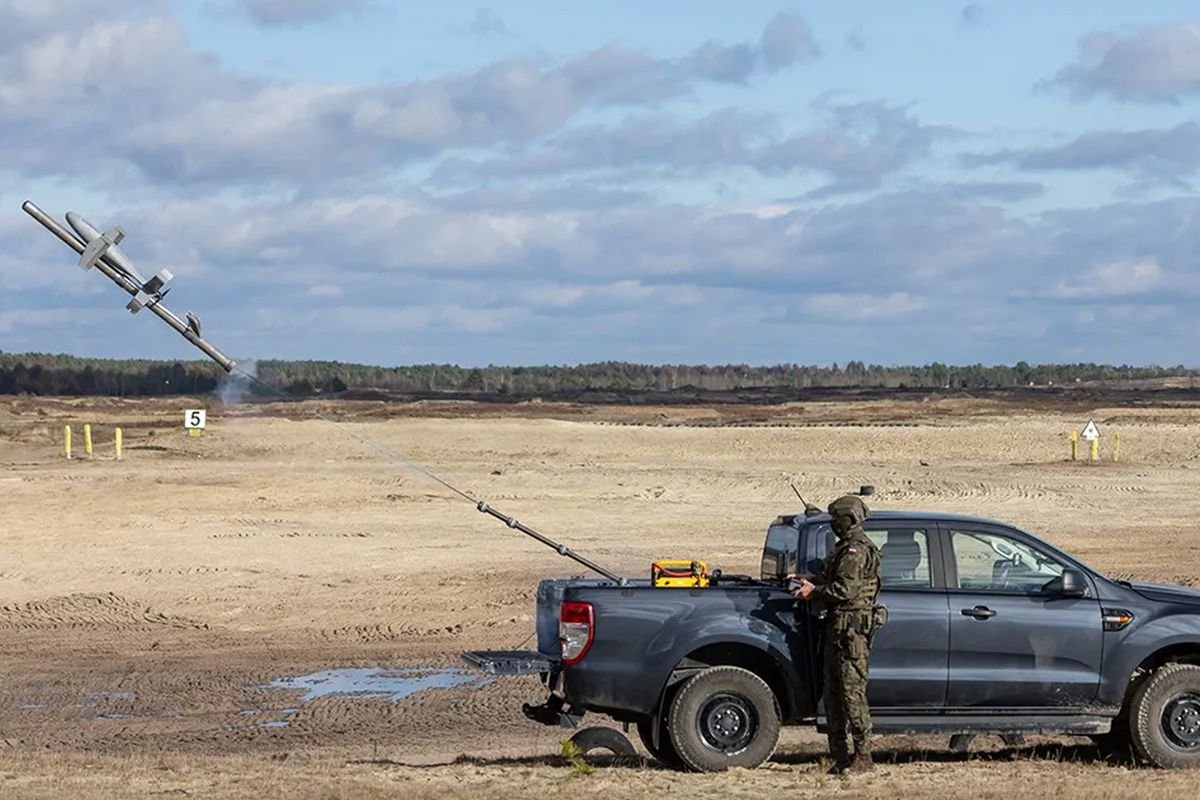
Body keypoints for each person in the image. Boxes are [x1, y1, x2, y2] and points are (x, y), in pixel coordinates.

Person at [791, 495, 882, 775]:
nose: (833, 523)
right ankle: (839, 757)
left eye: (836, 519)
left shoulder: (856, 551)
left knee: (852, 696)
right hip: (836, 631)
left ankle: (863, 758)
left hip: (851, 633)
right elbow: (835, 580)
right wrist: (809, 580)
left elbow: (845, 590)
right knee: (833, 697)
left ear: (848, 520)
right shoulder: (844, 548)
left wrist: (814, 592)